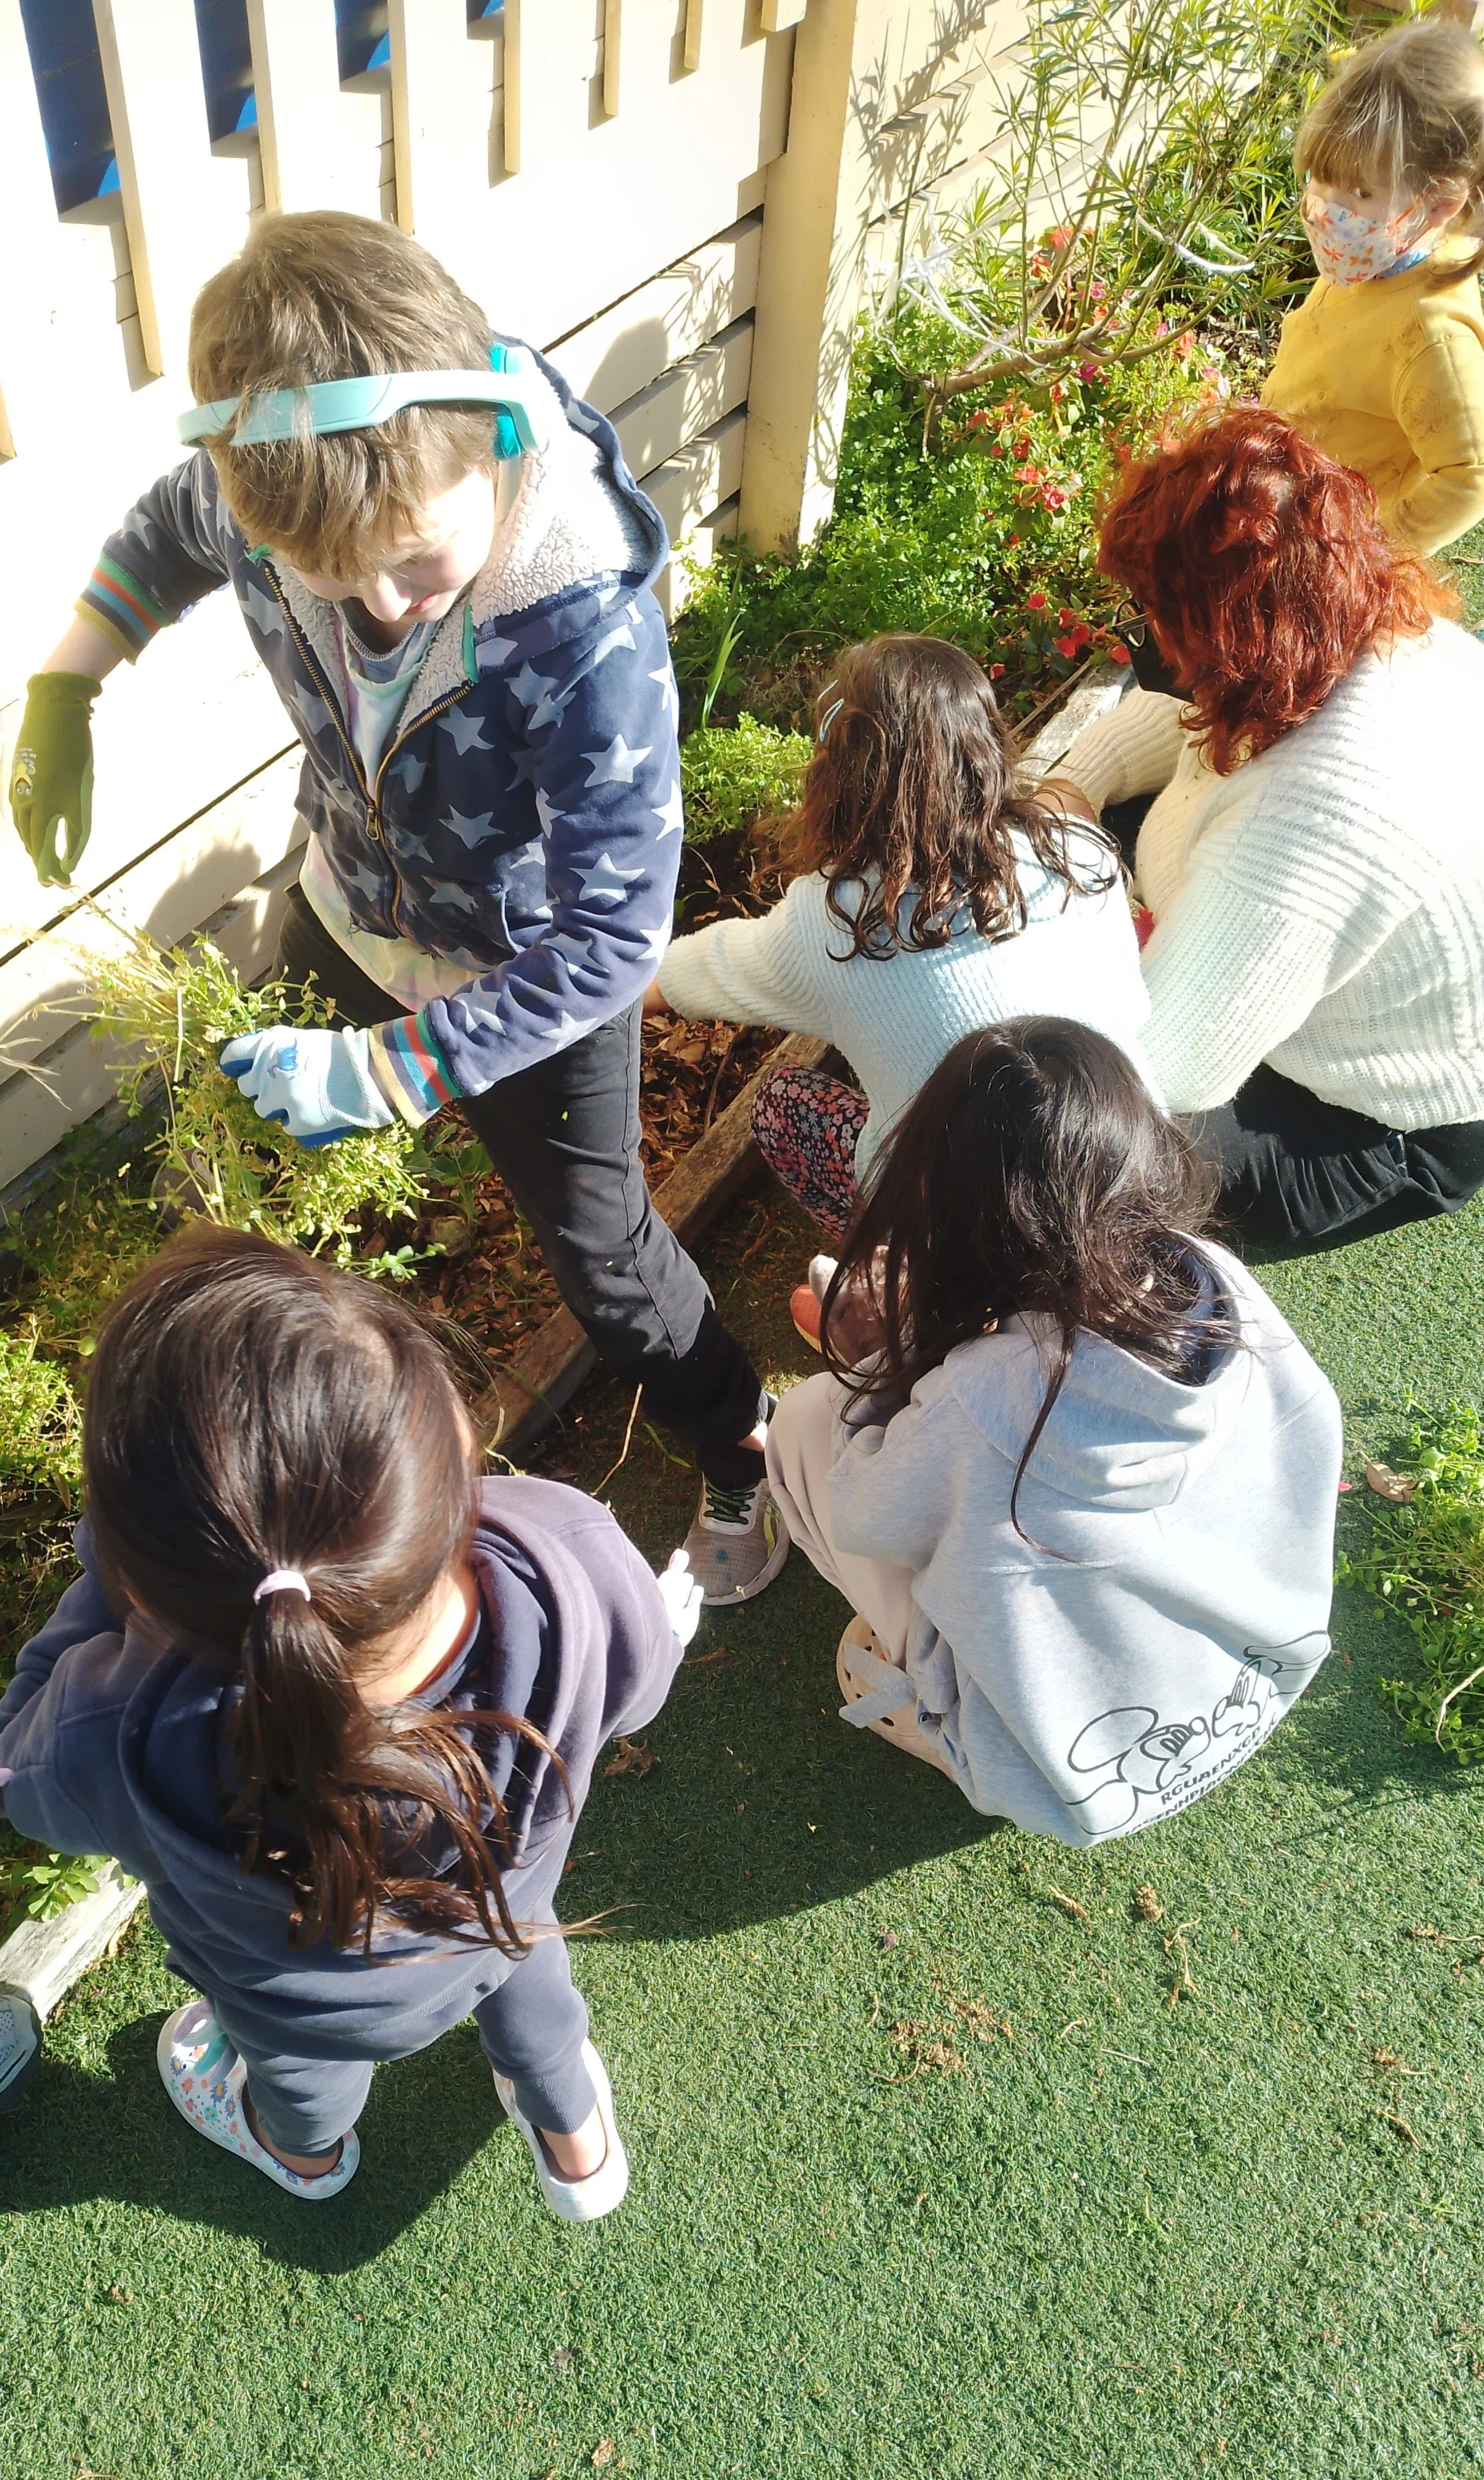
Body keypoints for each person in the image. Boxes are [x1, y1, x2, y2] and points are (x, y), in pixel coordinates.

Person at [5, 211, 784, 1606]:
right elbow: (171, 529)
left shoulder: (580, 626)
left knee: (605, 1259)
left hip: (530, 974)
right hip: (351, 907)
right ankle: (333, 1443)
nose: (377, 604)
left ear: (483, 439)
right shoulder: (284, 490)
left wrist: (390, 1068)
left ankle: (743, 1449)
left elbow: (611, 935)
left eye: (416, 564)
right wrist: (71, 677)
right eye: (324, 577)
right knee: (272, 1185)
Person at [0, 1226, 701, 2211]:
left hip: (306, 2006)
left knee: (297, 2076)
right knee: (533, 1982)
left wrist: (107, 1581)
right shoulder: (569, 1553)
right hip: (499, 1915)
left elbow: (23, 1774)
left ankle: (309, 2157)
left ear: (148, 1586)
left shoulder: (112, 1721)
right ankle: (575, 2137)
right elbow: (642, 1687)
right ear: (454, 1447)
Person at [766, 1020, 1341, 1843]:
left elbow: (864, 1510)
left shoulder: (978, 1400)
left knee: (805, 1424)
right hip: (1256, 1673)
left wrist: (869, 1372)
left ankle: (940, 1719)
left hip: (1064, 1776)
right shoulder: (1214, 1278)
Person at [1046, 405, 1484, 1254]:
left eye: (1153, 614)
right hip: (1372, 959)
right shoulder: (1379, 628)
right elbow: (1177, 721)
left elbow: (1164, 1066)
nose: (1139, 635)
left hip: (1378, 1118)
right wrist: (1072, 785)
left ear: (1234, 640)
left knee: (1080, 1157)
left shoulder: (1313, 816)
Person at [648, 635, 1149, 1250]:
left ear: (842, 776)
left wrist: (581, 987)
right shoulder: (1078, 850)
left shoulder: (827, 920)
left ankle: (892, 1275)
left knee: (782, 1106)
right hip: (1128, 1176)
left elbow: (685, 975)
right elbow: (1132, 1008)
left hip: (966, 1243)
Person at [1261, 14, 1484, 556]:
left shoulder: (1434, 338)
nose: (1326, 209)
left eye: (1359, 190)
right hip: (1286, 492)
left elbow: (1471, 477)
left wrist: (1368, 556)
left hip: (1323, 544)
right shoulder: (1375, 253)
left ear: (1438, 204)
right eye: (1322, 176)